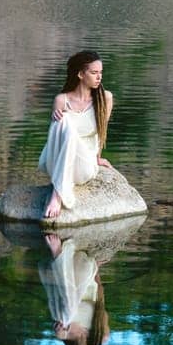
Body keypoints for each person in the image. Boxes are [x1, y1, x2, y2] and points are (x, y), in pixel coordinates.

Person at [38, 49, 113, 220]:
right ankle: (58, 192)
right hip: (56, 162)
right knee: (63, 121)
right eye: (94, 73)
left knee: (67, 124)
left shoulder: (105, 98)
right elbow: (55, 139)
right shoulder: (61, 100)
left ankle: (56, 195)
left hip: (83, 166)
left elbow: (102, 132)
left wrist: (97, 157)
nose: (99, 77)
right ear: (80, 74)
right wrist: (55, 119)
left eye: (100, 73)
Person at [39, 233, 110, 345]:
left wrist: (61, 327)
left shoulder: (63, 334)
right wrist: (96, 271)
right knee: (69, 310)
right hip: (86, 274)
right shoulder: (101, 336)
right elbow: (100, 301)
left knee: (67, 314)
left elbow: (57, 298)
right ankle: (60, 256)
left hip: (65, 279)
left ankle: (58, 255)